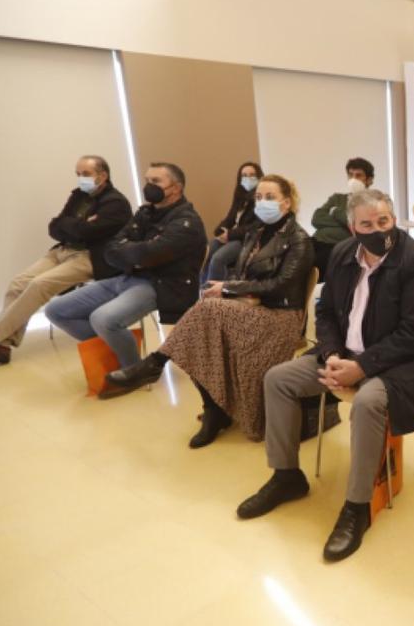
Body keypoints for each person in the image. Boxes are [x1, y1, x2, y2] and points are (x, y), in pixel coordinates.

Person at [236, 188, 414, 562]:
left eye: (383, 221)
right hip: (344, 355)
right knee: (278, 379)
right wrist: (332, 355)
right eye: (366, 224)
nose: (377, 229)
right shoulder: (342, 254)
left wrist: (361, 368)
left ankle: (357, 507)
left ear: (393, 219)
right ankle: (287, 476)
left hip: (402, 364)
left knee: (366, 402)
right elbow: (328, 310)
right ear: (352, 227)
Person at [101, 174, 315, 447]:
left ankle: (157, 364)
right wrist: (232, 288)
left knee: (207, 311)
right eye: (259, 198)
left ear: (287, 203)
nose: (263, 203)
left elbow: (281, 285)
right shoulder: (256, 233)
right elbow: (241, 273)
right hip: (251, 308)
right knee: (200, 332)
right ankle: (212, 409)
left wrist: (230, 289)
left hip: (279, 317)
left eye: (270, 198)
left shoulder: (299, 239)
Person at [0, 156, 133, 365]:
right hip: (61, 251)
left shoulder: (116, 203)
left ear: (102, 176)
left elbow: (87, 232)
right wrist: (76, 225)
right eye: (77, 174)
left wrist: (72, 225)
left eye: (85, 174)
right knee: (18, 283)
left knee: (39, 285)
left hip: (89, 257)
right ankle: (3, 345)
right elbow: (54, 227)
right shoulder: (79, 195)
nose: (80, 179)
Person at [45, 162, 205, 369]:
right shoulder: (145, 212)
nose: (149, 186)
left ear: (176, 188)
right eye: (147, 180)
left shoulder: (186, 222)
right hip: (126, 276)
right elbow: (110, 249)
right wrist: (137, 252)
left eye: (156, 181)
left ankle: (133, 369)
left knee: (103, 319)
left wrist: (132, 250)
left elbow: (150, 254)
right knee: (56, 310)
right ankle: (115, 349)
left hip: (160, 284)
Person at [311, 157, 375, 278]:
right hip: (317, 241)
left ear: (369, 180)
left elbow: (356, 225)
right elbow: (316, 219)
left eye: (358, 175)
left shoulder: (371, 202)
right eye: (350, 175)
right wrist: (344, 221)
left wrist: (335, 212)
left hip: (338, 247)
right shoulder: (337, 198)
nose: (353, 179)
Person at [202, 161, 263, 284]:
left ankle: (212, 294)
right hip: (234, 236)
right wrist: (220, 231)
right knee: (206, 251)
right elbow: (230, 218)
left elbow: (255, 226)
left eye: (252, 175)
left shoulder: (261, 198)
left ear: (259, 177)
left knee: (218, 259)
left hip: (247, 239)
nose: (248, 178)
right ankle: (202, 287)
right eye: (244, 175)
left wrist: (229, 235)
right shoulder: (240, 196)